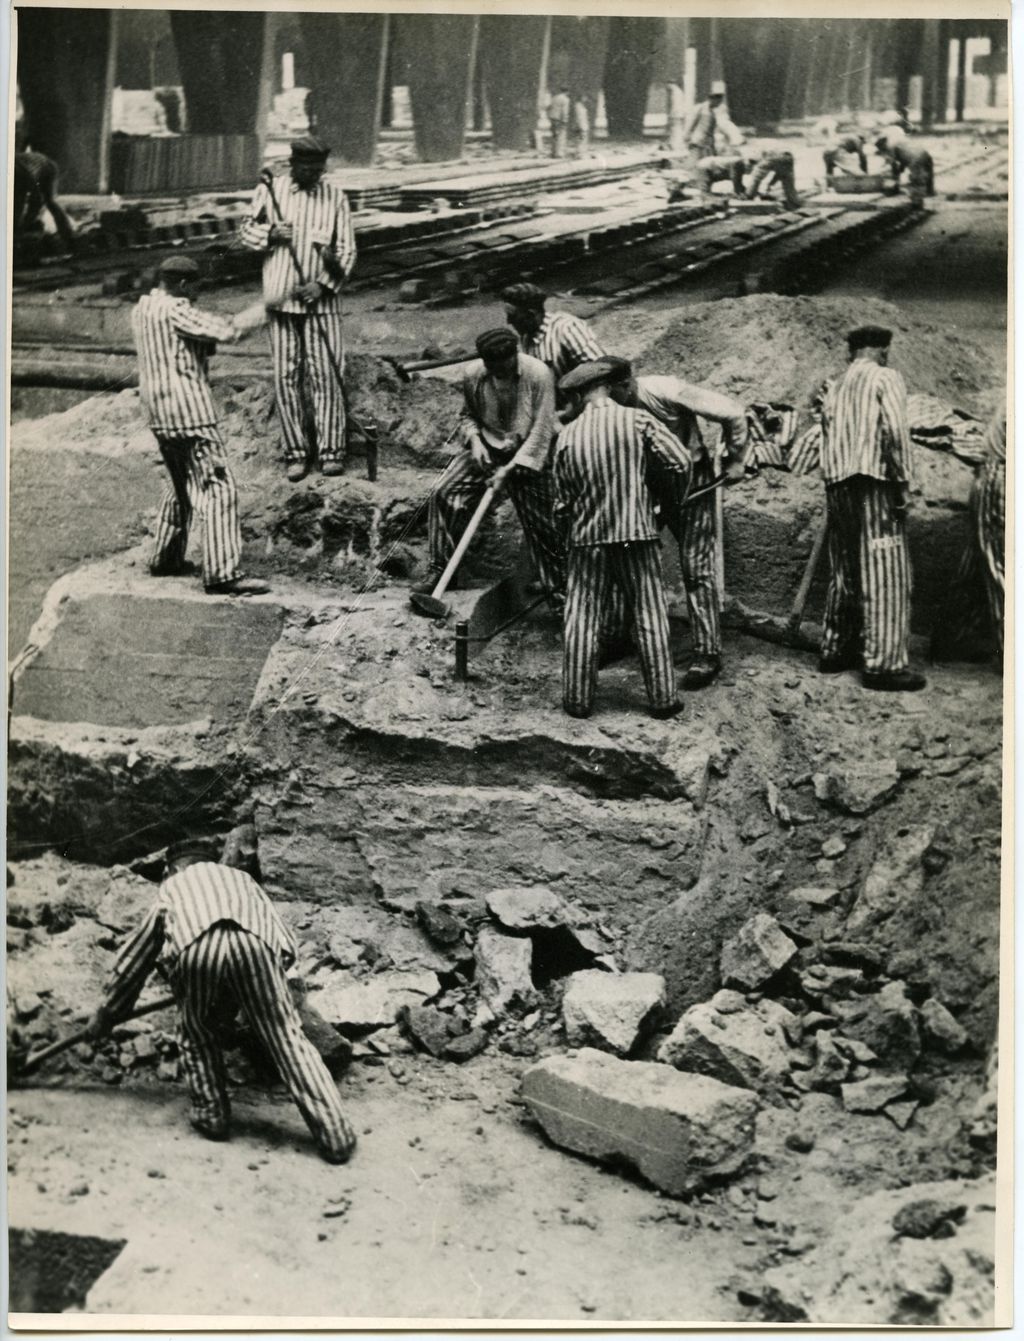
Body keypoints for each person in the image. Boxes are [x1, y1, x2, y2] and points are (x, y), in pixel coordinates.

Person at [86, 836, 357, 1163]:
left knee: (195, 1033)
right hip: (256, 943)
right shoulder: (242, 880)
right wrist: (262, 987)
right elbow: (284, 942)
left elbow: (135, 961)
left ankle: (210, 1114)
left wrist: (109, 1012)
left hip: (196, 947)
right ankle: (336, 1133)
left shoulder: (171, 888)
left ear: (173, 868)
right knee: (286, 1038)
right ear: (211, 863)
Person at [553, 360, 692, 720]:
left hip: (587, 540)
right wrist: (661, 502)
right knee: (649, 612)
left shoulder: (567, 435)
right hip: (636, 534)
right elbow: (680, 462)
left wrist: (570, 534)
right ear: (608, 388)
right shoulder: (638, 421)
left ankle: (577, 700)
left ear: (580, 395)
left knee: (582, 616)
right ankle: (662, 699)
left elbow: (561, 503)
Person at [603, 358, 750, 689]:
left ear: (626, 385)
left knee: (696, 569)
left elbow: (732, 412)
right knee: (626, 559)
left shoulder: (665, 390)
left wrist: (735, 459)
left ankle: (707, 654)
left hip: (692, 484)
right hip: (647, 488)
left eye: (613, 394)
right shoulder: (610, 409)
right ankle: (616, 637)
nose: (608, 403)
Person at [131, 256, 269, 597]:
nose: (197, 295)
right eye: (195, 287)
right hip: (190, 414)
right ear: (181, 284)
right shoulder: (177, 309)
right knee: (218, 488)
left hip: (159, 415)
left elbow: (187, 344)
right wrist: (268, 306)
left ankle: (165, 557)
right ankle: (223, 574)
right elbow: (229, 331)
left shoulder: (143, 308)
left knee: (179, 488)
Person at [240, 135, 356, 482]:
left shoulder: (335, 197)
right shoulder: (270, 191)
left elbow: (347, 250)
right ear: (293, 165)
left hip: (321, 305)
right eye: (308, 168)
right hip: (280, 299)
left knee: (327, 375)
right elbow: (246, 232)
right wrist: (272, 234)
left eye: (319, 169)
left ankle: (331, 451)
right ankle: (296, 453)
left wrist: (321, 284)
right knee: (286, 377)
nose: (314, 175)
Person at [818, 325, 925, 692]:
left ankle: (835, 649)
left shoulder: (836, 384)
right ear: (881, 351)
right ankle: (883, 665)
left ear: (852, 352)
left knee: (845, 568)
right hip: (873, 482)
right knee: (885, 570)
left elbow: (826, 433)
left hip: (837, 484)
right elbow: (895, 431)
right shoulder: (886, 377)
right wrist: (902, 484)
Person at [425, 328, 564, 605]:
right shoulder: (474, 374)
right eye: (491, 367)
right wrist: (475, 441)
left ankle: (560, 594)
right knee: (443, 491)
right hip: (488, 451)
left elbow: (541, 429)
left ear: (514, 356)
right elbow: (467, 416)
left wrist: (511, 469)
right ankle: (441, 571)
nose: (496, 372)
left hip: (529, 458)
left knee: (545, 526)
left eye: (502, 366)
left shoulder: (538, 375)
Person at [501, 282, 605, 402]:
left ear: (531, 314)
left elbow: (603, 369)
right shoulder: (527, 337)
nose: (508, 322)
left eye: (513, 316)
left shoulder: (567, 328)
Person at [12, 125, 76, 256]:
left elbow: (36, 201)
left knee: (49, 201)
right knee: (17, 202)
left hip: (47, 168)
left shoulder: (20, 172)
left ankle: (68, 234)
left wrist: (24, 225)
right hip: (28, 170)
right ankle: (16, 231)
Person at [684, 80, 741, 160]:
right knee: (696, 163)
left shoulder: (713, 112)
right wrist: (687, 136)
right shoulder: (701, 108)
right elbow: (692, 123)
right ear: (712, 99)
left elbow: (713, 130)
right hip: (698, 142)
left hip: (708, 143)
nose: (718, 104)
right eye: (718, 102)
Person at [876, 134, 934, 206]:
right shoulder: (896, 144)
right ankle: (929, 192)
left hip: (915, 158)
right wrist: (901, 170)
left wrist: (895, 180)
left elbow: (894, 165)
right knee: (928, 172)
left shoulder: (890, 148)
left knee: (916, 178)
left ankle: (917, 200)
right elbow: (903, 160)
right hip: (924, 153)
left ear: (882, 146)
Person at [547, 86, 571, 158]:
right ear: (567, 92)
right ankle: (559, 153)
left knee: (554, 135)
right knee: (561, 136)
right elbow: (565, 111)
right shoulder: (566, 99)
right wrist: (565, 120)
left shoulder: (554, 98)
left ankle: (553, 152)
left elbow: (548, 107)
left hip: (553, 118)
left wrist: (550, 115)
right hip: (560, 119)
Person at [569, 93, 591, 157]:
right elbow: (579, 117)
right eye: (584, 97)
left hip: (582, 125)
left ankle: (581, 152)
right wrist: (581, 126)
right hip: (581, 125)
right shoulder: (578, 106)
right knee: (581, 139)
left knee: (581, 139)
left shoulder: (580, 105)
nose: (585, 99)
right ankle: (580, 153)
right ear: (581, 98)